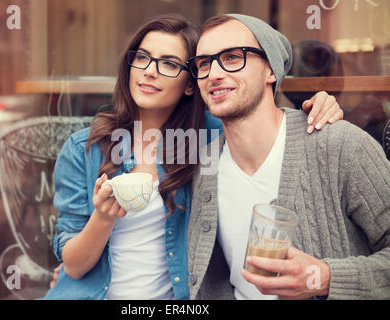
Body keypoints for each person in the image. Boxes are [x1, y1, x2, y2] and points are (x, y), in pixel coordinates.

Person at [43, 13, 342, 300]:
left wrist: (319, 105)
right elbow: (74, 265)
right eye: (143, 58)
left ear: (190, 83)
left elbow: (263, 122)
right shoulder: (85, 148)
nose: (150, 71)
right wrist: (103, 219)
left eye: (169, 64)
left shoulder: (212, 138)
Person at [186, 13, 390, 300]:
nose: (215, 74)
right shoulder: (203, 167)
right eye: (204, 64)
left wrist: (323, 278)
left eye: (233, 57)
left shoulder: (339, 145)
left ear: (271, 70)